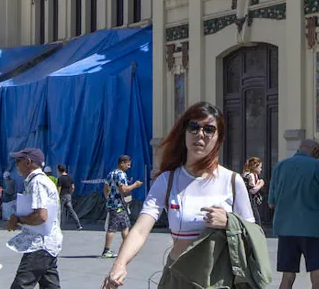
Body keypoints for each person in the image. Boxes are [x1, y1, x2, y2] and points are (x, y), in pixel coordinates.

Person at [103, 102, 257, 288]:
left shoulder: (232, 181)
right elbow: (140, 230)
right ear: (184, 132)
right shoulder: (167, 181)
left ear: (219, 138)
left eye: (209, 130)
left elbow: (253, 235)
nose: (200, 134)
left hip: (220, 281)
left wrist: (228, 221)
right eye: (193, 127)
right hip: (177, 279)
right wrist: (120, 264)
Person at [268, 138, 319, 289]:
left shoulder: (279, 166)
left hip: (286, 228)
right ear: (315, 152)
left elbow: (271, 203)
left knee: (287, 276)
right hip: (312, 228)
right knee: (317, 274)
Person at [5, 147, 62, 289]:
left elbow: (41, 216)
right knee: (50, 285)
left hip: (40, 245)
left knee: (20, 286)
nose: (16, 164)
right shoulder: (42, 181)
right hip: (48, 244)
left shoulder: (37, 182)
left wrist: (17, 220)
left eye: (18, 161)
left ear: (28, 162)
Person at [101, 155, 142, 259]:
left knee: (125, 226)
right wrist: (135, 185)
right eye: (128, 164)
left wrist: (108, 198)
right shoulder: (121, 175)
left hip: (114, 204)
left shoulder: (111, 173)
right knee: (112, 228)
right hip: (118, 205)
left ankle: (126, 248)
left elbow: (105, 187)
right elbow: (124, 189)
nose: (129, 166)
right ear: (122, 163)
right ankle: (106, 250)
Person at [55, 166, 81, 232]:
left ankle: (58, 226)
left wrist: (57, 196)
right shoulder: (69, 177)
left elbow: (59, 188)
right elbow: (73, 187)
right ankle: (78, 225)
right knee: (71, 211)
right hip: (68, 196)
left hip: (62, 196)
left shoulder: (60, 178)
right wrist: (70, 194)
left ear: (59, 170)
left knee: (60, 211)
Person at [243, 158, 266, 225]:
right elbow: (252, 190)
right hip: (251, 201)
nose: (261, 169)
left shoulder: (245, 174)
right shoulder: (251, 175)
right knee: (257, 221)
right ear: (255, 167)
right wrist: (261, 183)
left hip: (245, 201)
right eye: (260, 167)